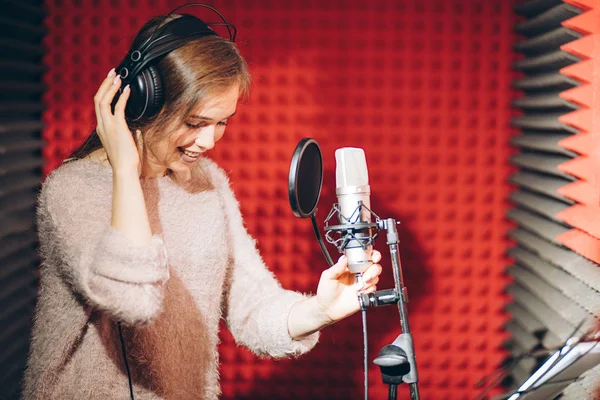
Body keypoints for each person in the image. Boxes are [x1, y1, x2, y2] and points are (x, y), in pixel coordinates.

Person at [23, 10, 382, 400]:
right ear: (143, 101)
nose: (209, 141)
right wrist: (126, 171)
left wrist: (322, 310)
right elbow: (133, 300)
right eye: (195, 123)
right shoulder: (73, 190)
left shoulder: (207, 183)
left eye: (222, 122)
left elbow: (252, 306)